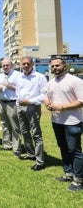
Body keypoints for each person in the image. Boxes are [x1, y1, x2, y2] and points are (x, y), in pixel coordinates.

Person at [44, 57, 83, 192]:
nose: (55, 68)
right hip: (57, 121)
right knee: (63, 148)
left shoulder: (75, 81)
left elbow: (81, 101)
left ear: (64, 66)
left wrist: (62, 107)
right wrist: (47, 103)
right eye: (53, 66)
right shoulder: (51, 83)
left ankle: (78, 180)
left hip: (72, 121)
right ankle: (68, 173)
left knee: (75, 150)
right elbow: (47, 96)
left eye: (57, 65)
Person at [16, 56, 47, 171]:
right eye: (23, 64)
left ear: (32, 64)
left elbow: (44, 95)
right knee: (24, 131)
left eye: (27, 63)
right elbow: (18, 92)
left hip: (32, 107)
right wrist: (18, 103)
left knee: (36, 134)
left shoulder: (40, 77)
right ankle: (30, 153)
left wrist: (30, 101)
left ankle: (40, 161)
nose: (25, 66)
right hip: (20, 107)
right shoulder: (20, 77)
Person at [0, 58, 22, 156]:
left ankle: (17, 148)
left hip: (12, 103)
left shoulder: (18, 75)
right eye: (3, 65)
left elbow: (21, 89)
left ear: (12, 65)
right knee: (4, 125)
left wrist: (9, 85)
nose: (5, 67)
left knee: (15, 126)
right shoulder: (0, 76)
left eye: (7, 65)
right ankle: (7, 145)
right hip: (2, 102)